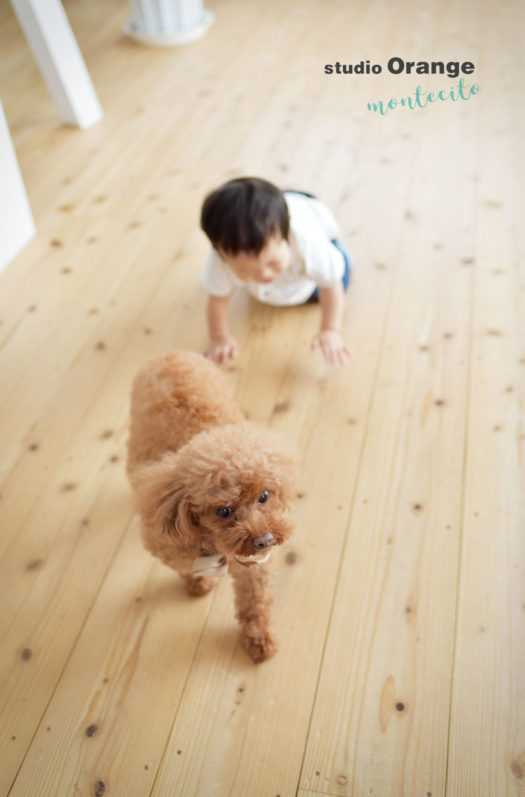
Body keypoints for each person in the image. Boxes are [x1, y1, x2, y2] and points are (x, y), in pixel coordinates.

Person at [200, 177, 353, 367]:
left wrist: (330, 330)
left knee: (341, 271)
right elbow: (217, 299)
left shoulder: (308, 244)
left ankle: (300, 201)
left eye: (273, 262)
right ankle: (285, 197)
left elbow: (331, 285)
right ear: (220, 254)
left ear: (287, 237)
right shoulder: (220, 260)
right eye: (245, 270)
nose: (264, 275)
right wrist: (219, 337)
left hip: (310, 235)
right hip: (281, 219)